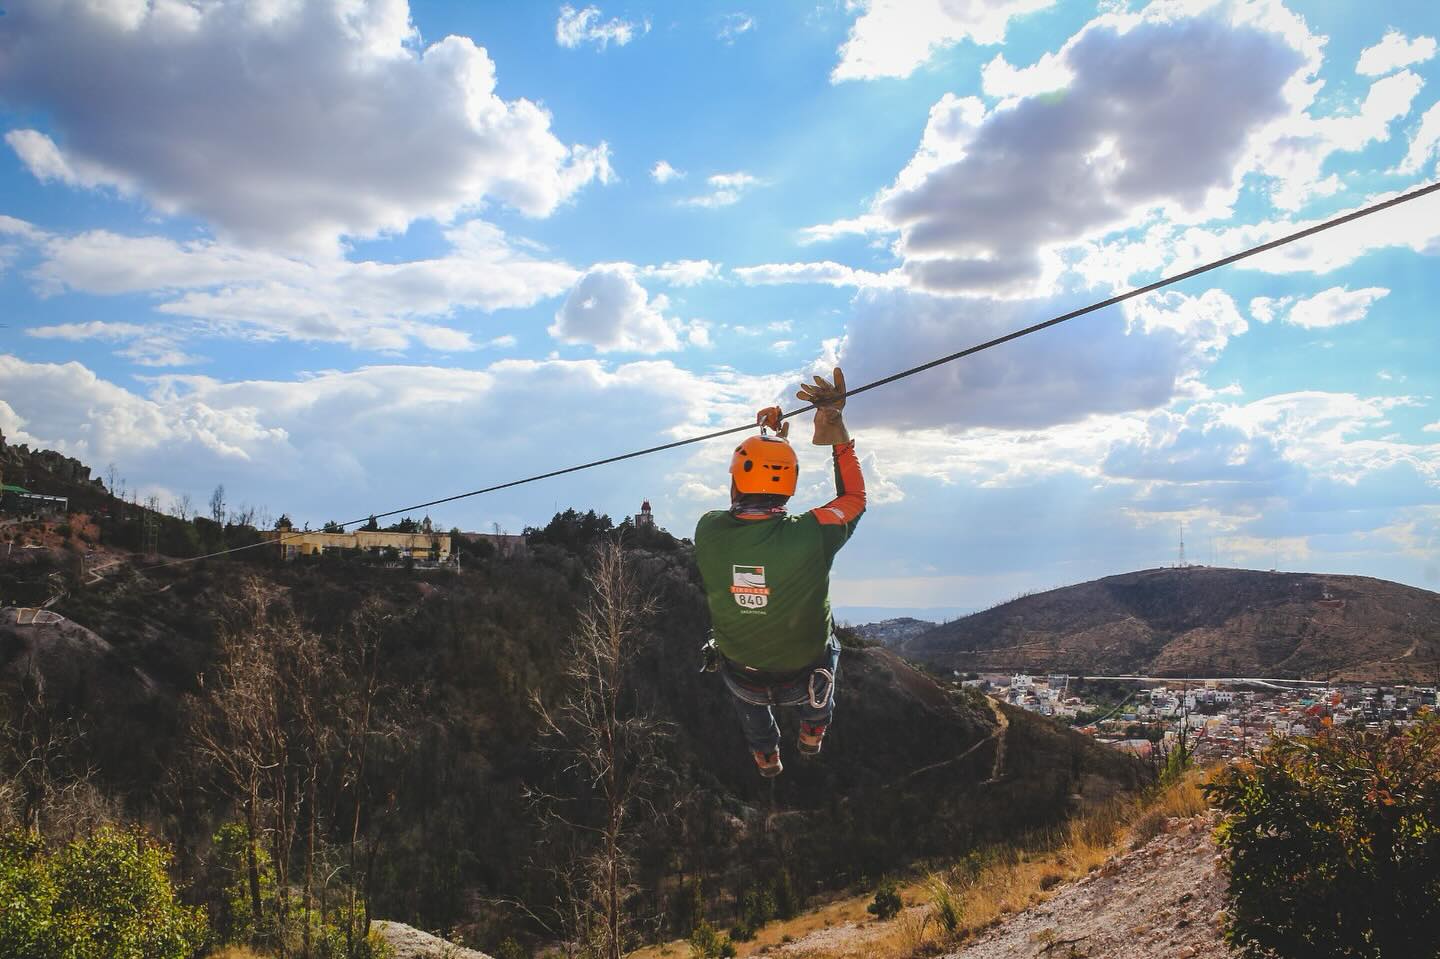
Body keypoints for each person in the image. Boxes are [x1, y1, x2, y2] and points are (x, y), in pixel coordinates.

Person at [693, 368, 865, 777]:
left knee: (749, 702)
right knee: (831, 643)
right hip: (803, 675)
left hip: (743, 673)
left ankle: (765, 754)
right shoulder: (813, 535)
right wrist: (834, 428)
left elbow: (751, 502)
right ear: (791, 485)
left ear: (736, 481)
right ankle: (813, 727)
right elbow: (853, 497)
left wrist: (771, 443)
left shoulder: (708, 529)